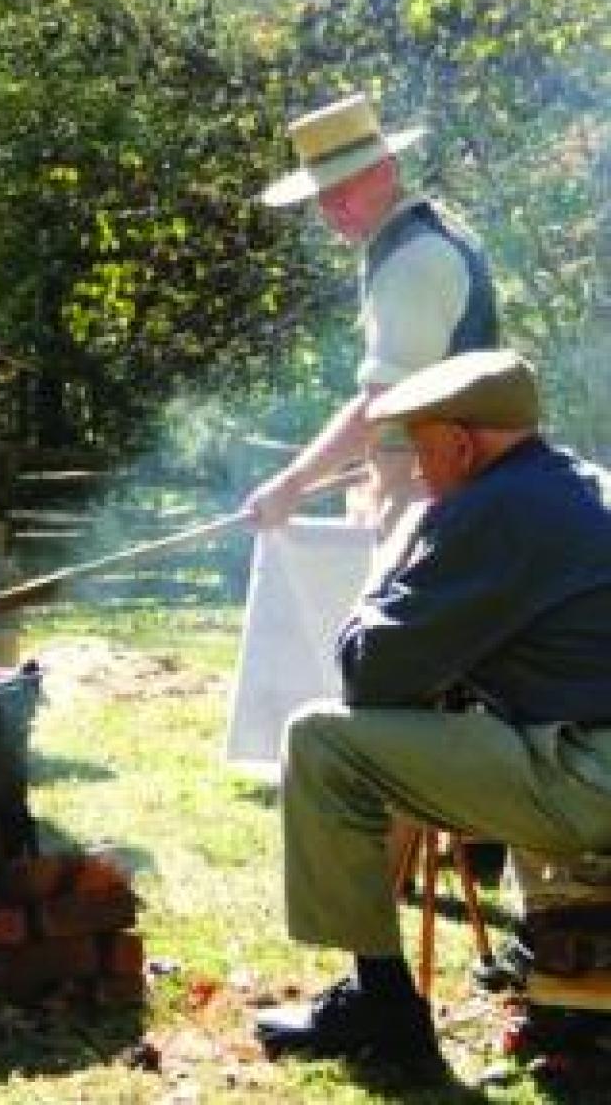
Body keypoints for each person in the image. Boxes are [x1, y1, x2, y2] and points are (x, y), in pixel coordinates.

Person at [255, 349, 611, 1070]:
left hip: (588, 776)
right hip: (586, 750)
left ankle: (381, 1004)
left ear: (460, 443)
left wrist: (398, 551)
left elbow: (370, 673)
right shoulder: (576, 484)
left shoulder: (495, 508)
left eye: (423, 452)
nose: (418, 472)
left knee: (322, 742)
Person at [242, 92, 498, 535]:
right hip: (454, 482)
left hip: (439, 498)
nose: (332, 209)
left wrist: (292, 484)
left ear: (385, 170)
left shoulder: (411, 262)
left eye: (344, 189)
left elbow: (383, 404)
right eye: (324, 195)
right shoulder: (423, 232)